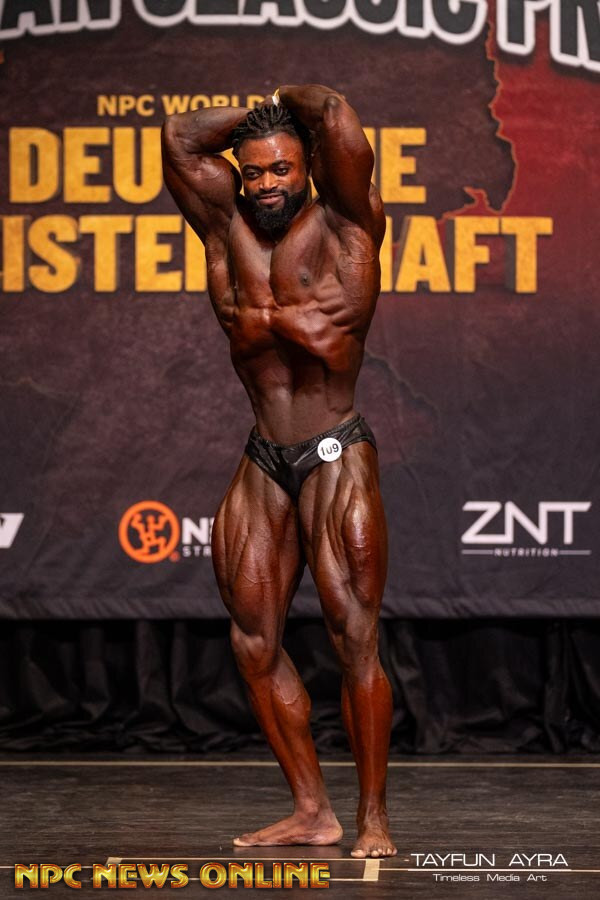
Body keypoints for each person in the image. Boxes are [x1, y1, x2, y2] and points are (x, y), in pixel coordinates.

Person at [162, 84, 396, 859]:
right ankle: (311, 810)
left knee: (354, 637)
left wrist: (289, 109)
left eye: (282, 169)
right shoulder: (223, 225)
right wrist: (255, 117)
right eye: (254, 170)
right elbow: (180, 137)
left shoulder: (348, 222)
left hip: (335, 451)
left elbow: (332, 113)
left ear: (310, 167)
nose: (265, 183)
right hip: (264, 456)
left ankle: (372, 819)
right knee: (252, 643)